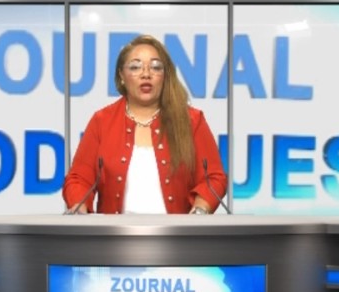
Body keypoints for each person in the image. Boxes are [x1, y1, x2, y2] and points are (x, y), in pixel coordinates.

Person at [63, 34, 228, 214]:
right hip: (114, 231)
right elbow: (79, 180)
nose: (146, 74)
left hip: (177, 231)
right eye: (135, 67)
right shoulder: (101, 121)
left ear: (165, 75)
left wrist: (200, 210)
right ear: (121, 75)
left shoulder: (192, 121)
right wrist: (79, 207)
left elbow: (213, 178)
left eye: (156, 67)